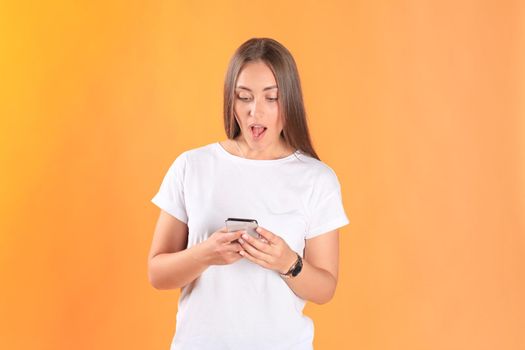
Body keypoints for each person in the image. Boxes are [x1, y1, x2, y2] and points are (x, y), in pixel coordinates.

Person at [148, 37, 350, 350]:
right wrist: (205, 254)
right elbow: (157, 273)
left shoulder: (317, 179)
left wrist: (288, 262)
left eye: (272, 98)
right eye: (245, 97)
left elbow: (325, 289)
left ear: (290, 101)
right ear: (232, 100)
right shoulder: (191, 166)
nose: (256, 111)